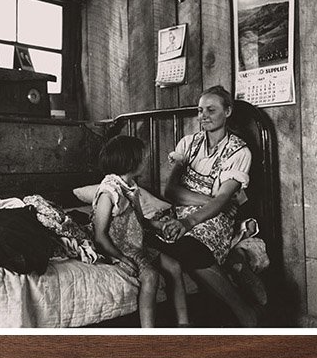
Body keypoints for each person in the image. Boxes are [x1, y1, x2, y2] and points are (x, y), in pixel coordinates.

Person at [157, 85, 258, 327]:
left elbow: (224, 199)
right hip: (185, 212)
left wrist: (191, 220)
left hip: (212, 219)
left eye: (211, 110)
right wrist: (211, 202)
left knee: (188, 247)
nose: (203, 116)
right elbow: (170, 191)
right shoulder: (188, 144)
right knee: (154, 237)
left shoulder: (239, 152)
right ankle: (232, 262)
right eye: (200, 110)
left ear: (228, 111)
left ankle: (244, 313)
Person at [91, 134, 189, 329]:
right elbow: (100, 235)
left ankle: (184, 324)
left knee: (174, 267)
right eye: (143, 157)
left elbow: (139, 220)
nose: (146, 160)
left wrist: (159, 225)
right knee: (151, 276)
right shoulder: (108, 192)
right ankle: (148, 333)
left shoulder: (131, 187)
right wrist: (121, 257)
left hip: (136, 244)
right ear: (130, 161)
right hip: (116, 248)